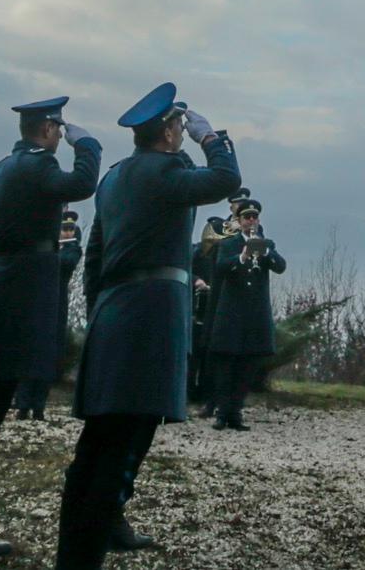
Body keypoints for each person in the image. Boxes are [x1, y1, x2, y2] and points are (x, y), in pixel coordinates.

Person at [57, 84, 240, 570]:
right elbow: (226, 179)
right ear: (168, 132)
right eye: (180, 126)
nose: (183, 131)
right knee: (116, 445)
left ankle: (85, 543)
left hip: (118, 314)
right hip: (148, 319)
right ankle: (82, 556)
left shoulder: (116, 178)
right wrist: (212, 137)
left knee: (105, 442)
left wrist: (102, 314)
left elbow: (94, 257)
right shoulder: (165, 171)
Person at [0, 96, 101, 561]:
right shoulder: (38, 167)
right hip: (12, 300)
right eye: (59, 129)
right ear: (48, 130)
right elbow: (83, 182)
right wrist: (87, 143)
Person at [206, 196, 284, 431]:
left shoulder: (266, 242)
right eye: (247, 217)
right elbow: (219, 269)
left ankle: (236, 412)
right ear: (239, 221)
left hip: (254, 314)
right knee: (226, 365)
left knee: (247, 367)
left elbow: (280, 266)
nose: (251, 221)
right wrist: (240, 258)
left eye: (254, 217)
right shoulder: (229, 243)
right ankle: (222, 412)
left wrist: (266, 250)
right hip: (232, 313)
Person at [11, 210, 82, 421]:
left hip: (55, 306)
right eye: (64, 228)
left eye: (70, 229)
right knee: (28, 354)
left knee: (46, 358)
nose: (67, 232)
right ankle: (22, 404)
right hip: (34, 304)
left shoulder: (72, 250)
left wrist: (50, 250)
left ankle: (39, 405)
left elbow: (65, 263)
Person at [187, 215, 225, 411]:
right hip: (195, 308)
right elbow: (185, 270)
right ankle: (188, 392)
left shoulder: (223, 254)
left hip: (214, 310)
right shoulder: (196, 252)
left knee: (209, 356)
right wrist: (197, 280)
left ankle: (205, 394)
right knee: (192, 354)